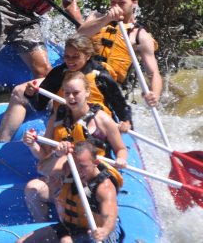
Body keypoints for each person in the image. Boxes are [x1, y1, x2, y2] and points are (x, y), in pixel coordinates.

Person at [21, 71, 127, 223]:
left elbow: (121, 149)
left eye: (76, 93)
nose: (71, 97)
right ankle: (45, 227)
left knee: (82, 203)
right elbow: (44, 155)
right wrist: (32, 145)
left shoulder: (102, 119)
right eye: (67, 93)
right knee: (32, 190)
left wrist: (121, 159)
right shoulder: (57, 117)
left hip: (90, 178)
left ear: (87, 92)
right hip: (64, 178)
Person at [0, 34, 131, 143]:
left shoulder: (100, 75)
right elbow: (40, 103)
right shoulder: (60, 73)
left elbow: (119, 103)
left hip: (93, 122)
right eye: (67, 56)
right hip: (65, 119)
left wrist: (126, 121)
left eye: (75, 57)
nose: (70, 61)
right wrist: (30, 95)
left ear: (88, 56)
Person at [78, 0, 163, 107]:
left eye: (121, 3)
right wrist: (106, 19)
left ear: (134, 3)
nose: (116, 7)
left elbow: (154, 74)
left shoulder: (140, 36)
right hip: (81, 81)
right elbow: (80, 34)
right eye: (113, 2)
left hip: (110, 90)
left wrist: (154, 94)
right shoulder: (97, 18)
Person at [17, 140, 123, 243]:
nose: (77, 172)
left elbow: (110, 216)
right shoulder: (70, 166)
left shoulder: (104, 187)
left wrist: (104, 230)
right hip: (68, 228)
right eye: (75, 167)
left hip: (93, 233)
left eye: (82, 167)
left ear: (95, 162)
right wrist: (57, 154)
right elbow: (42, 169)